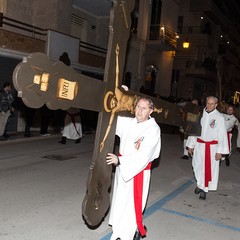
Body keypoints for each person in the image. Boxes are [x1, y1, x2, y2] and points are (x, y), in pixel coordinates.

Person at [106, 97, 161, 240]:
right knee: (120, 201)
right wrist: (118, 97)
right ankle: (120, 231)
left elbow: (144, 156)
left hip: (138, 172)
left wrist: (120, 160)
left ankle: (127, 235)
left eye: (144, 108)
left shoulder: (153, 129)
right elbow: (112, 118)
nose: (140, 111)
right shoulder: (129, 122)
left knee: (131, 206)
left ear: (151, 111)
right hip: (122, 169)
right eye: (138, 107)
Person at [186, 96, 229, 200]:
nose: (209, 105)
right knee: (196, 166)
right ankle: (200, 184)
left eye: (212, 104)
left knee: (208, 169)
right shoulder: (200, 114)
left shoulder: (219, 117)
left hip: (212, 147)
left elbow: (222, 135)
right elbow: (194, 130)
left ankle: (204, 190)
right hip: (199, 145)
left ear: (216, 105)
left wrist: (220, 151)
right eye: (208, 103)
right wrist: (191, 145)